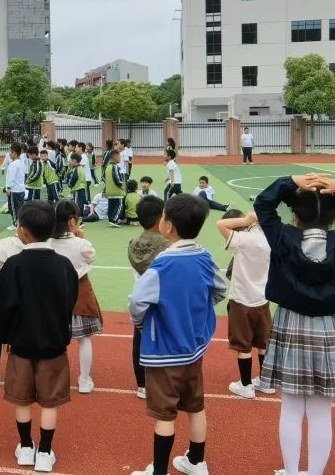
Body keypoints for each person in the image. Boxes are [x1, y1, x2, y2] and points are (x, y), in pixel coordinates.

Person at [255, 174, 335, 475]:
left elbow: (263, 204)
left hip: (290, 322)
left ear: (295, 215)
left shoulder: (284, 237)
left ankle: (291, 471)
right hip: (329, 327)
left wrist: (289, 182)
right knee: (322, 411)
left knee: (292, 407)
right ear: (333, 217)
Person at [129, 194, 227, 475]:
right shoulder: (205, 257)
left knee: (164, 414)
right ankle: (196, 461)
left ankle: (159, 471)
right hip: (194, 348)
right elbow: (220, 289)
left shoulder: (162, 265)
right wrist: (196, 309)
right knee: (196, 406)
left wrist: (141, 324)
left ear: (167, 226)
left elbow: (137, 303)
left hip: (164, 352)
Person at [0, 201, 78, 473]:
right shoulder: (65, 265)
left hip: (20, 343)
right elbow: (70, 301)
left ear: (23, 231)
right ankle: (44, 451)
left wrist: (4, 335)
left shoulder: (14, 265)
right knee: (50, 401)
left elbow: (4, 304)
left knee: (21, 398)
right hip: (54, 342)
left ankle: (26, 447)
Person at [215, 208, 272, 399]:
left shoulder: (243, 240)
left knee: (243, 344)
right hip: (262, 298)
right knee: (263, 341)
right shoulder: (267, 236)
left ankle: (246, 385)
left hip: (242, 299)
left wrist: (246, 220)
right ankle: (267, 381)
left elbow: (220, 225)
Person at [48, 201, 101, 395]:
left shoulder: (48, 243)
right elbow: (90, 257)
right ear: (72, 221)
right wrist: (81, 236)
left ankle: (52, 376)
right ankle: (84, 379)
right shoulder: (81, 244)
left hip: (53, 295)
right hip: (79, 293)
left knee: (54, 338)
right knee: (84, 339)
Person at [126, 196, 168, 400]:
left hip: (140, 298)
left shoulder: (133, 244)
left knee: (139, 340)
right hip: (162, 298)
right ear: (160, 217)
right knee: (165, 340)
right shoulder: (167, 245)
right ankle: (161, 381)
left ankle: (141, 384)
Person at [5, 144, 27, 230]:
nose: (10, 154)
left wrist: (8, 188)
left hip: (14, 190)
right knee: (20, 207)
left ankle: (15, 224)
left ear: (14, 153)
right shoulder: (21, 162)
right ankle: (20, 223)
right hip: (21, 188)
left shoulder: (13, 164)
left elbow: (11, 177)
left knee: (13, 208)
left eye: (11, 152)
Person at [102, 149, 126, 228]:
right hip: (117, 192)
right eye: (119, 156)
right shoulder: (115, 167)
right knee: (119, 205)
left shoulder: (107, 167)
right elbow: (117, 179)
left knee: (111, 206)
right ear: (115, 157)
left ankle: (110, 220)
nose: (120, 158)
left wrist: (105, 190)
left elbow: (105, 179)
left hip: (110, 191)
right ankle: (114, 220)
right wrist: (122, 185)